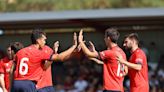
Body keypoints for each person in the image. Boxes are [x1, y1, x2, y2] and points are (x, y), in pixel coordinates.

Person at [12, 28, 77, 92]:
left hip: (16, 83)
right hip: (29, 83)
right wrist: (73, 46)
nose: (45, 42)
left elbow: (13, 69)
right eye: (44, 40)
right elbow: (60, 57)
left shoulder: (20, 52)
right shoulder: (40, 52)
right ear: (38, 40)